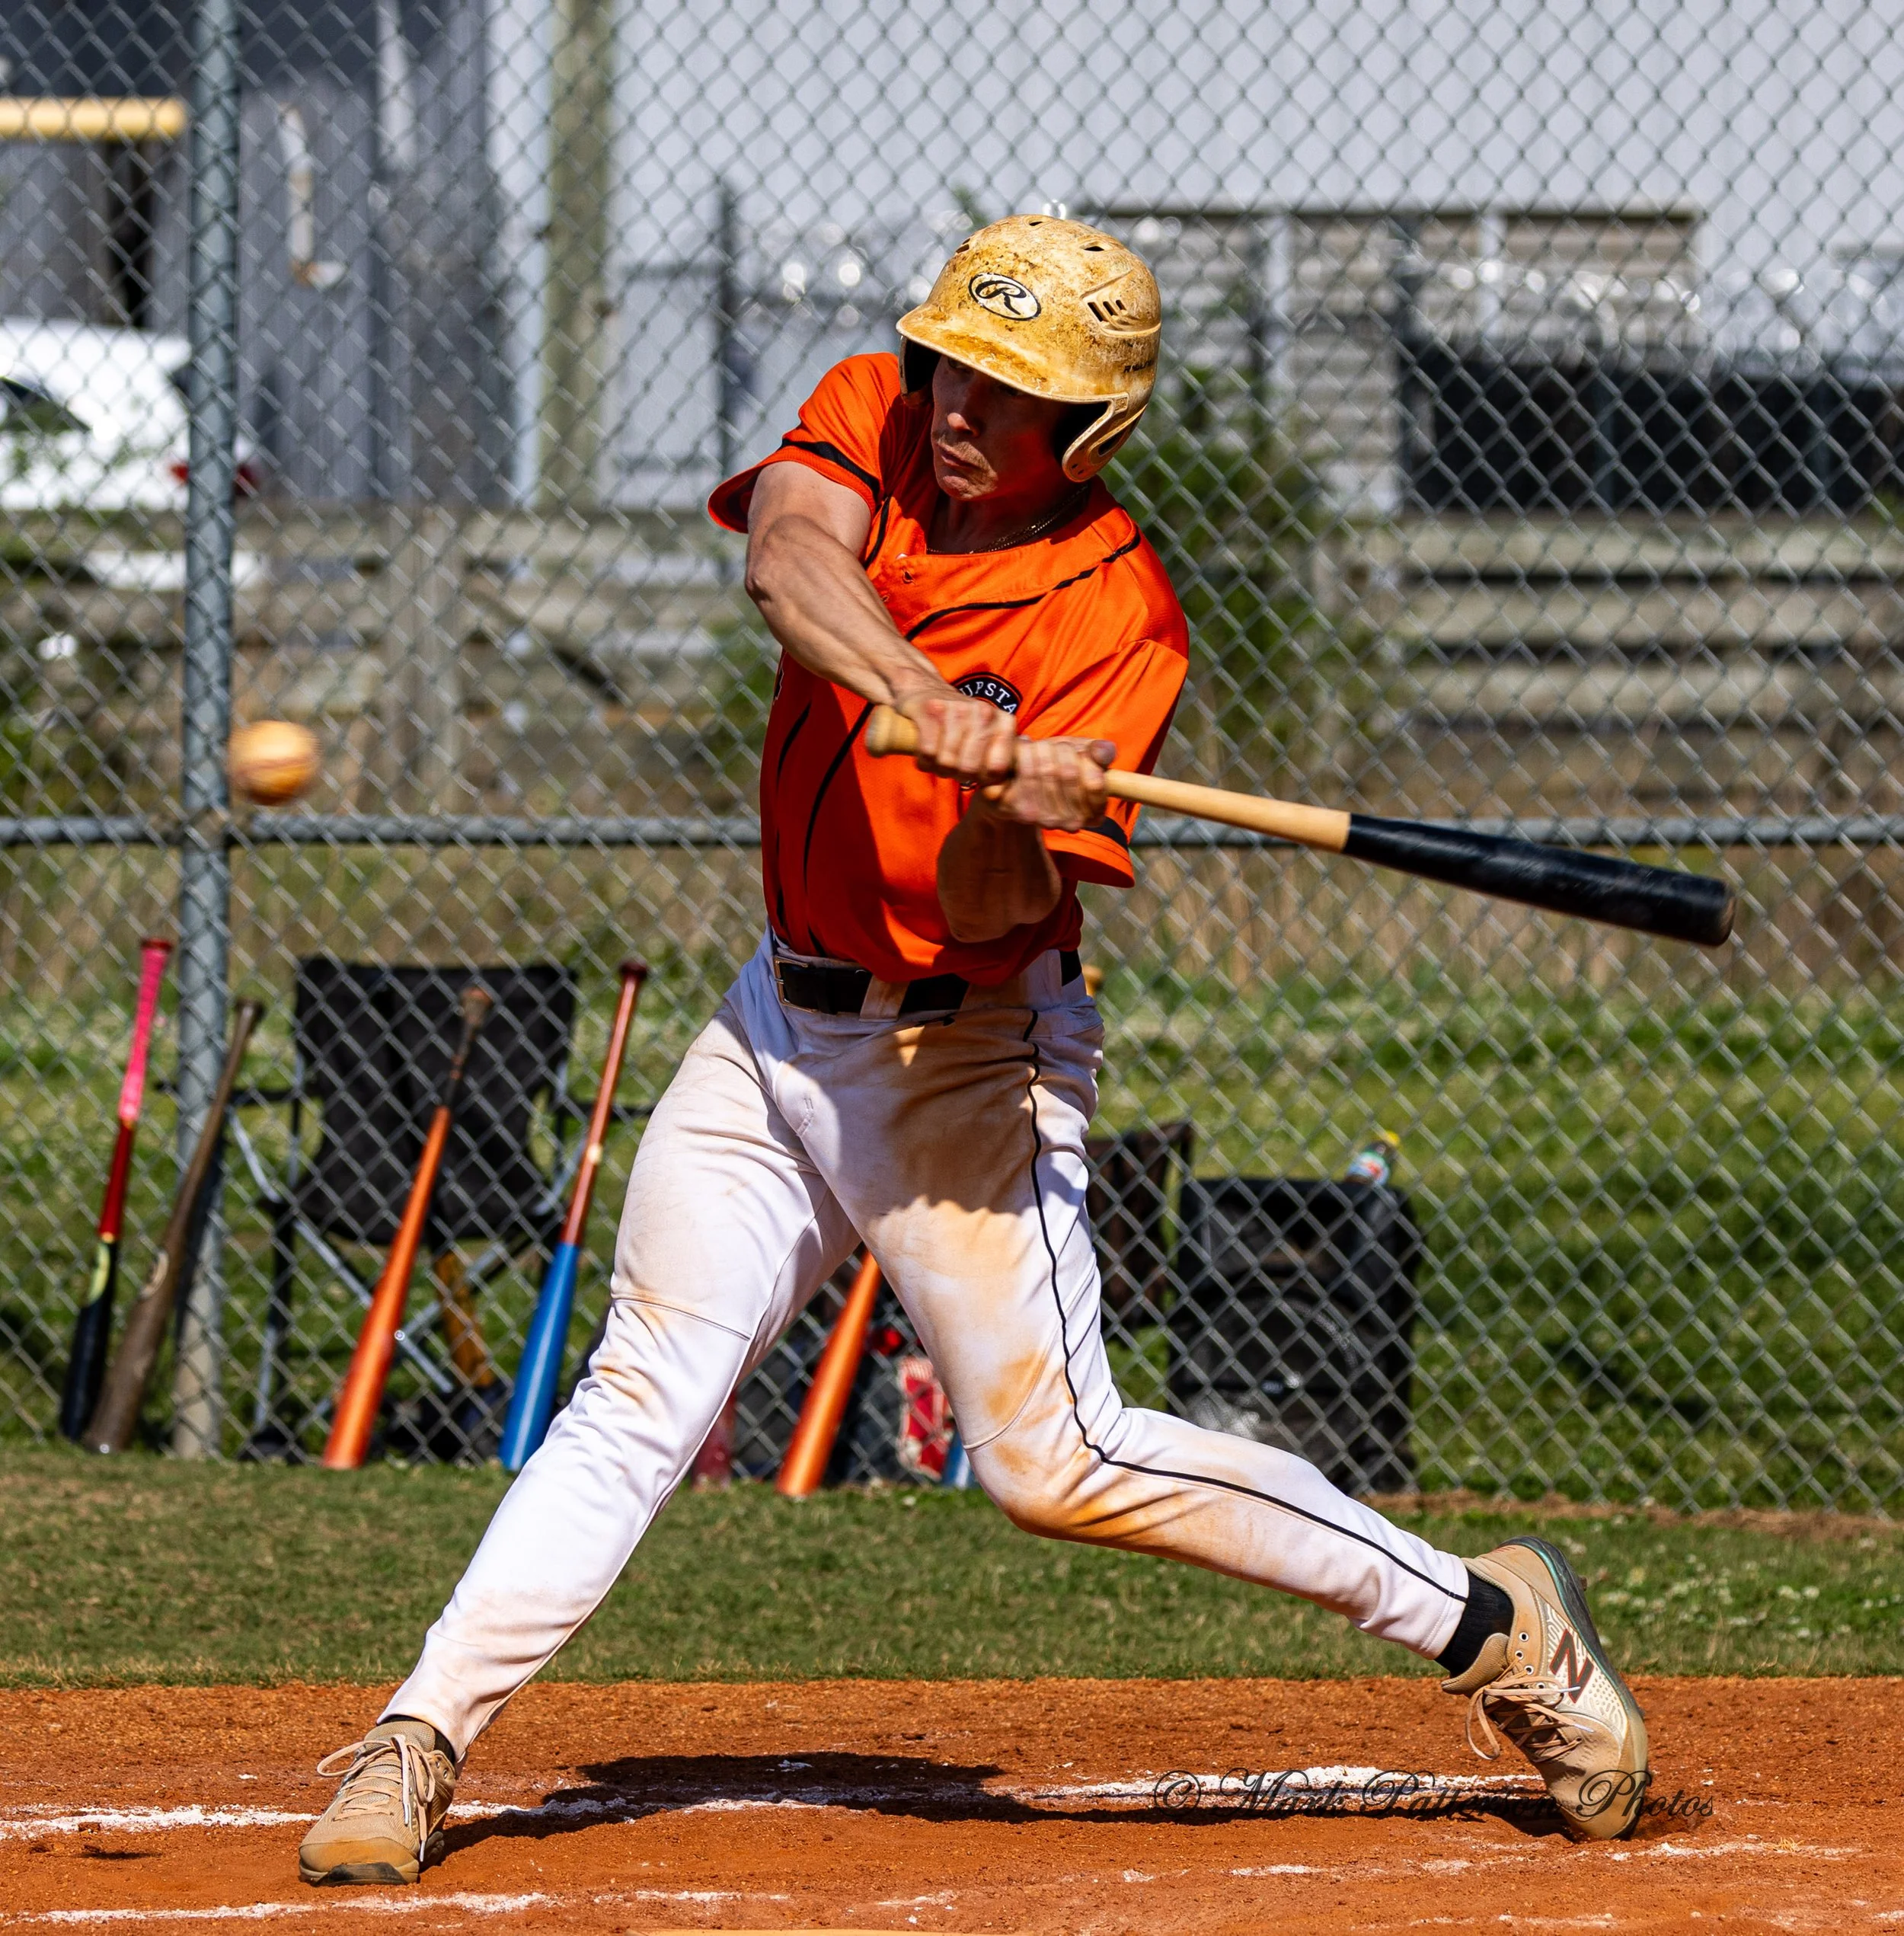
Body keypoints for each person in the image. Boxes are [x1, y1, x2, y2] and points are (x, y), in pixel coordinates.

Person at [298, 216, 1648, 1887]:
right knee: (643, 1386)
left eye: (1011, 394)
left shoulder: (1119, 617)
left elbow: (994, 914)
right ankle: (418, 1730)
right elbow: (788, 560)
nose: (957, 405)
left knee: (1048, 1463)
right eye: (955, 363)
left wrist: (1021, 806)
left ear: (1085, 433)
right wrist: (916, 686)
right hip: (774, 1022)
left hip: (966, 1061)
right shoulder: (870, 403)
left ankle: (1487, 1616)